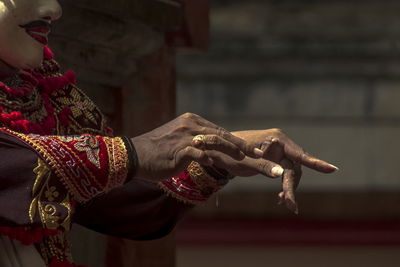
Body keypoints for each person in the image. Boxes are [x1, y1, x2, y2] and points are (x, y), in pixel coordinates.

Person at [0, 0, 338, 266]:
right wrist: (132, 153)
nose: (52, 10)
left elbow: (116, 201)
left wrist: (212, 154)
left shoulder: (35, 89)